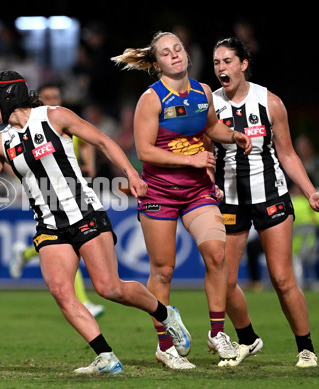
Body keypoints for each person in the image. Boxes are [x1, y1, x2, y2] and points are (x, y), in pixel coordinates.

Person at [0, 70, 192, 375]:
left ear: (7, 97)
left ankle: (166, 314)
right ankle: (106, 357)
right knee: (60, 291)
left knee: (110, 288)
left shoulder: (55, 117)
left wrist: (132, 175)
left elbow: (103, 141)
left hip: (85, 213)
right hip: (49, 225)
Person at [111, 31, 252, 369]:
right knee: (163, 270)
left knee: (217, 255)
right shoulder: (151, 99)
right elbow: (143, 151)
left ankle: (217, 333)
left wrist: (231, 135)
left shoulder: (203, 92)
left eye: (178, 49)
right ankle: (165, 346)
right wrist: (191, 160)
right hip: (159, 193)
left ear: (186, 55)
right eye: (166, 52)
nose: (174, 55)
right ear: (156, 63)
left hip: (197, 191)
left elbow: (211, 127)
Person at [211, 37, 319, 367]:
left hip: (271, 198)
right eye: (217, 61)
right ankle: (248, 339)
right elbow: (207, 153)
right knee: (226, 280)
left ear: (243, 64)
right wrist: (210, 186)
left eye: (227, 61)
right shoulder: (209, 104)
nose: (221, 67)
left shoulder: (270, 102)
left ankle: (306, 348)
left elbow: (287, 154)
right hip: (231, 202)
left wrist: (309, 192)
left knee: (281, 278)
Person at [9, 83, 104, 319]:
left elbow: (87, 150)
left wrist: (87, 169)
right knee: (71, 242)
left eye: (56, 96)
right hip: (46, 197)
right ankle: (83, 301)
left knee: (70, 242)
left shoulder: (64, 121)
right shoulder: (25, 132)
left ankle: (25, 253)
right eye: (47, 96)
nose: (52, 100)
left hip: (75, 193)